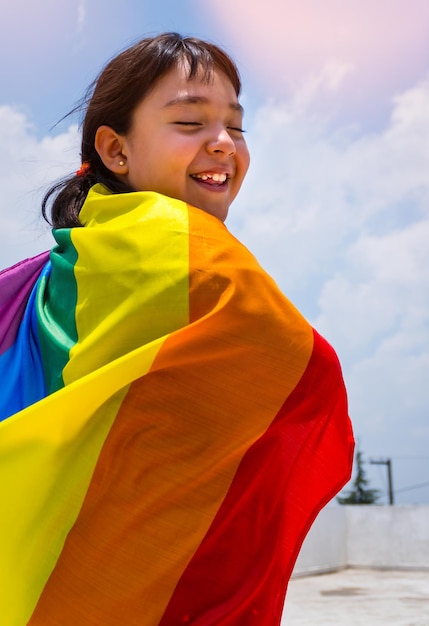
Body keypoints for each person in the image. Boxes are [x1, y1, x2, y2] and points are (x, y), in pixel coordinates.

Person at [0, 33, 354, 625]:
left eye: (236, 128)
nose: (223, 145)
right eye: (191, 121)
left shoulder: (39, 279)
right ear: (115, 151)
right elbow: (307, 369)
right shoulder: (188, 252)